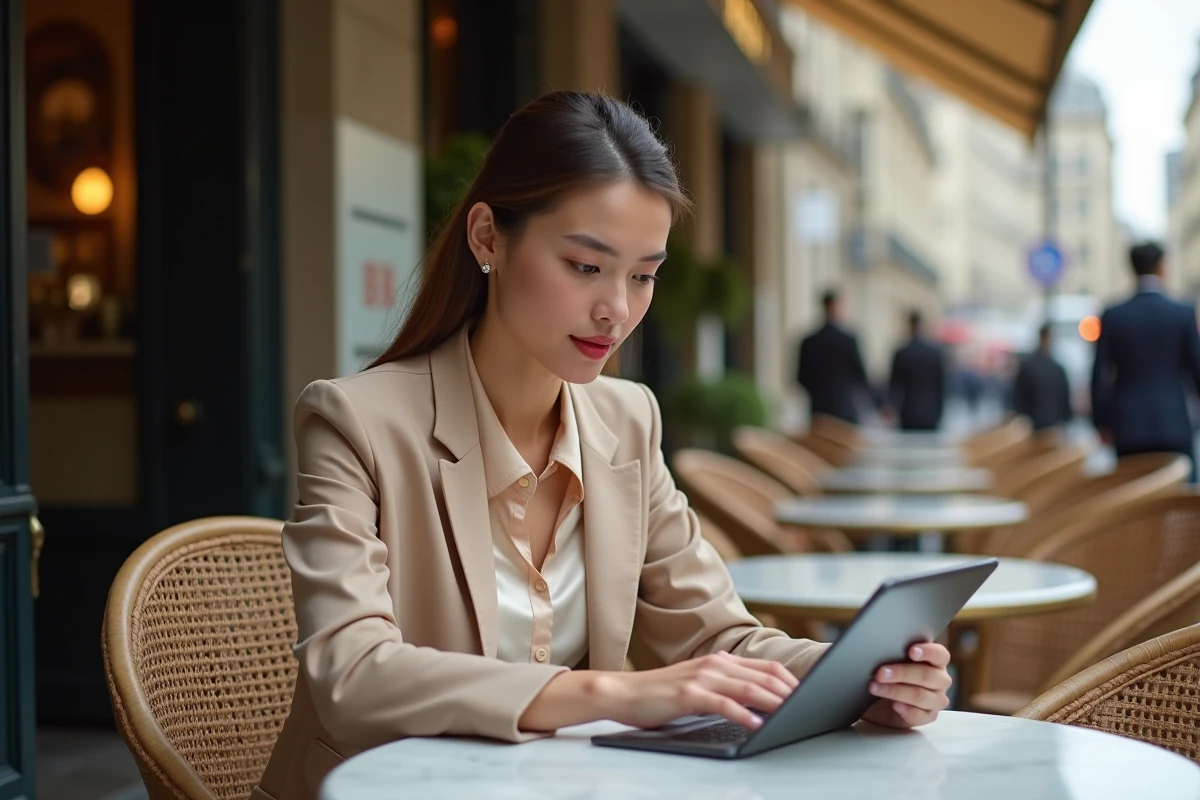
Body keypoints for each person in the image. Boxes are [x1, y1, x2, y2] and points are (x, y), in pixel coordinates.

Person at [251, 92, 952, 800]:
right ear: (488, 237)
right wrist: (614, 694)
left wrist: (859, 677)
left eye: (643, 275)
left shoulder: (626, 421)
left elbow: (717, 640)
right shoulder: (356, 422)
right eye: (587, 266)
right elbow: (354, 672)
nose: (617, 308)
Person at [1091, 241, 1200, 481]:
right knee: (1178, 500)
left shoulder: (1113, 314)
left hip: (1128, 426)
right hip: (1174, 423)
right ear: (1162, 267)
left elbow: (1099, 374)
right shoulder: (1182, 312)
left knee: (1135, 504)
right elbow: (1197, 370)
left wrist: (1101, 423)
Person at [796, 289, 871, 424]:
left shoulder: (809, 341)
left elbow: (801, 377)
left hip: (819, 409)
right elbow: (861, 375)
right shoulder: (849, 339)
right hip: (845, 408)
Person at [887, 310, 946, 431]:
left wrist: (891, 407)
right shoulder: (935, 353)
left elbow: (894, 385)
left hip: (908, 410)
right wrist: (940, 411)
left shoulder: (902, 353)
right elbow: (940, 385)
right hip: (931, 411)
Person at [1012, 324, 1072, 431]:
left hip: (1033, 425)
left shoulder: (1027, 365)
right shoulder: (1058, 369)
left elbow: (1019, 398)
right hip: (1052, 425)